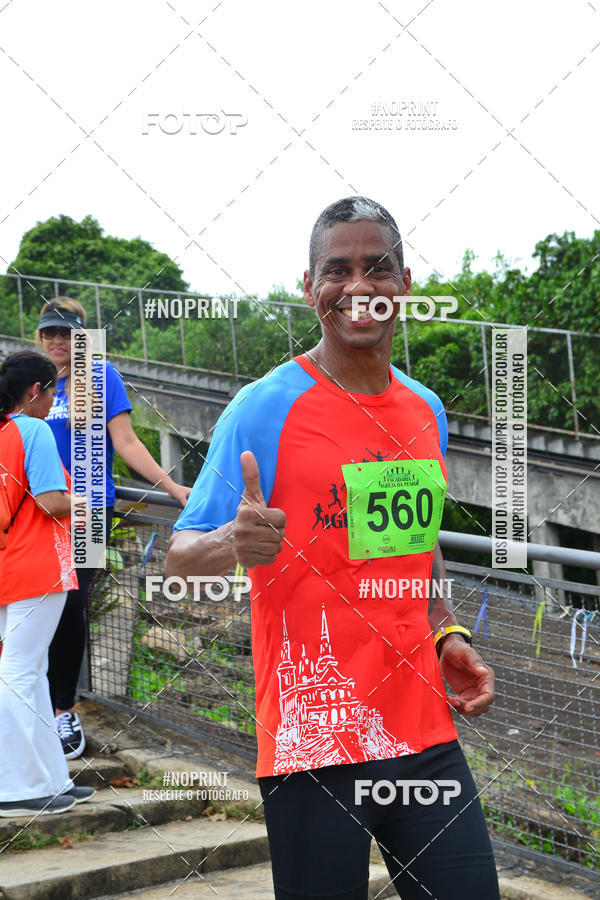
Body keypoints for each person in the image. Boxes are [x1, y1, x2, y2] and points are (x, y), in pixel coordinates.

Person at [165, 196, 500, 899]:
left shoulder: (425, 410)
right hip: (312, 743)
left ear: (405, 283)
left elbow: (417, 545)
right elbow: (180, 558)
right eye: (337, 270)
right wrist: (231, 541)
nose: (358, 287)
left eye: (377, 268)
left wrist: (446, 632)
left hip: (423, 735)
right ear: (308, 286)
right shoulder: (264, 407)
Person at [35, 298, 191, 759]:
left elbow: (125, 441)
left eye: (66, 333)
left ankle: (64, 710)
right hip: (37, 510)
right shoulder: (32, 380)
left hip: (86, 510)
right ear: (39, 337)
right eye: (49, 332)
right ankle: (33, 702)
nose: (58, 340)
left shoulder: (101, 377)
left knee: (70, 604)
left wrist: (173, 487)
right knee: (31, 604)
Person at [0, 350, 95, 816]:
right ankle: (15, 789)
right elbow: (51, 501)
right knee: (18, 673)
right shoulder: (32, 430)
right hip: (38, 568)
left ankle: (51, 779)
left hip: (10, 565)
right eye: (53, 392)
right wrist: (88, 503)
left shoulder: (3, 432)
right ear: (36, 391)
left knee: (31, 671)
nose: (53, 402)